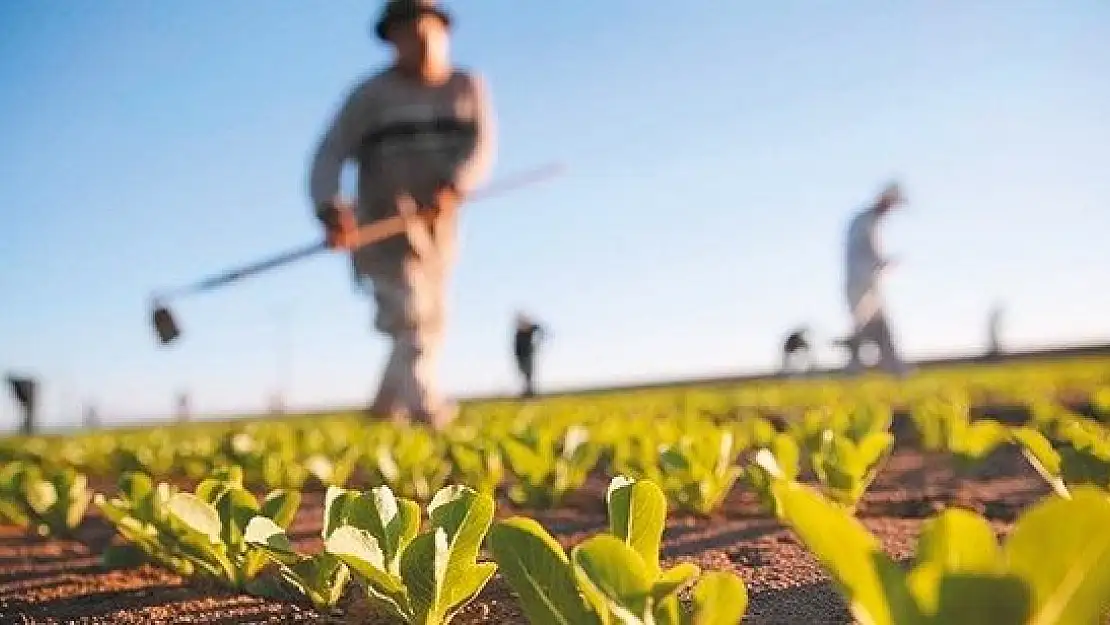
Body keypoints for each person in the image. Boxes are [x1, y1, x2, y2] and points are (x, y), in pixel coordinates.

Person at [307, 0, 495, 429]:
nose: (419, 42)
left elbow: (481, 147)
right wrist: (329, 207)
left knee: (431, 321)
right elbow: (329, 153)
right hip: (382, 229)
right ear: (392, 40)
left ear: (444, 32)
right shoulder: (370, 97)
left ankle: (382, 410)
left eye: (426, 31)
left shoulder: (468, 87)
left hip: (438, 233)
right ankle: (427, 412)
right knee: (409, 315)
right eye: (407, 33)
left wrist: (456, 184)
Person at [843, 182, 909, 376]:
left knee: (878, 327)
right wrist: (884, 263)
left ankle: (895, 370)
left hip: (867, 284)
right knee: (865, 329)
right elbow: (867, 253)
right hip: (860, 285)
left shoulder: (868, 220)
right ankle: (857, 371)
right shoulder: (865, 221)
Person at [513, 313, 545, 398]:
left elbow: (541, 330)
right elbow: (517, 348)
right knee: (525, 374)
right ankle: (528, 391)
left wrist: (537, 342)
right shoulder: (518, 333)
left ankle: (530, 392)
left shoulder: (530, 328)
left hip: (528, 355)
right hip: (521, 357)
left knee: (529, 374)